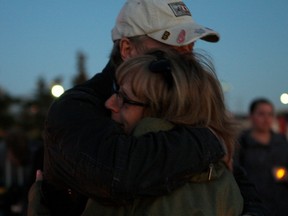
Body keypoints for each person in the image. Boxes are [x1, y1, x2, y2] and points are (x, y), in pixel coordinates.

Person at [30, 0, 265, 215]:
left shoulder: (178, 106)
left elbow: (235, 182)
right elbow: (116, 172)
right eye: (172, 47)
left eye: (189, 49)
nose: (186, 61)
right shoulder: (78, 107)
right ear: (127, 50)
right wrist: (210, 141)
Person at [236, 98, 288, 216]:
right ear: (251, 116)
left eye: (270, 114)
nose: (266, 119)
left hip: (281, 207)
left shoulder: (281, 142)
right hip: (254, 208)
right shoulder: (241, 143)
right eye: (261, 114)